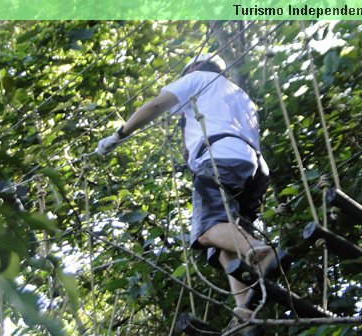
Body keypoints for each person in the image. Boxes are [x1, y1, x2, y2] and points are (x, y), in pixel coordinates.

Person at [96, 54, 274, 335]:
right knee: (226, 241)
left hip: (220, 157)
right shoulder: (239, 94)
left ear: (193, 68)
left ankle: (260, 253)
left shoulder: (198, 79)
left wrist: (119, 135)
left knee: (207, 230)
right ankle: (246, 311)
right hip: (253, 166)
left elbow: (155, 105)